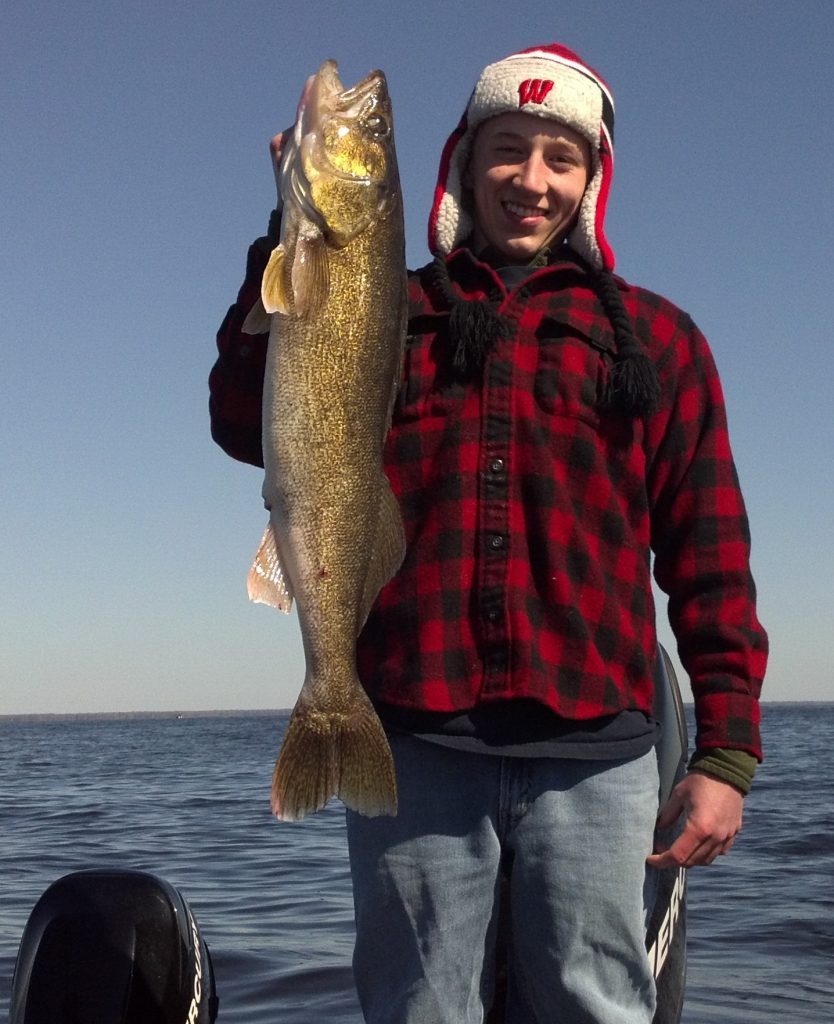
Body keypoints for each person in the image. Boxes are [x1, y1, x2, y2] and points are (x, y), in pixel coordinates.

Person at [209, 43, 767, 1024]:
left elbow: (710, 557)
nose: (532, 180)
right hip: (414, 738)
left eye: (562, 158)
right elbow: (239, 419)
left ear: (592, 181)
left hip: (601, 752)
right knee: (419, 1009)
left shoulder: (659, 338)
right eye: (508, 149)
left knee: (598, 1006)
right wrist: (287, 238)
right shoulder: (389, 305)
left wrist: (724, 755)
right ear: (464, 163)